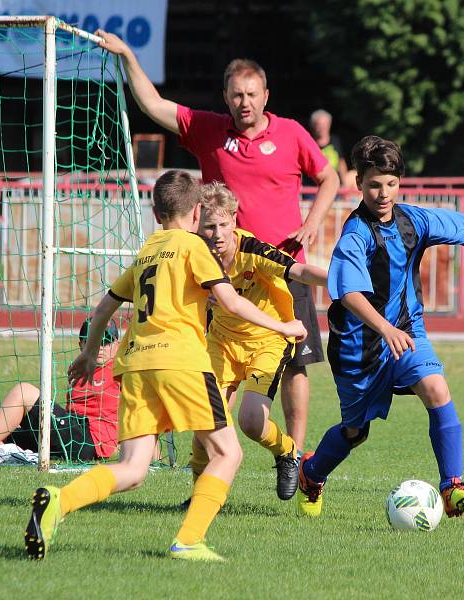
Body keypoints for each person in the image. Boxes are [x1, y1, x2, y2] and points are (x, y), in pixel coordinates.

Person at [23, 170, 306, 562]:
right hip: (180, 362)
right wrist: (286, 325)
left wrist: (89, 354)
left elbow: (104, 308)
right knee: (229, 454)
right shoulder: (195, 249)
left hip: (134, 365)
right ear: (196, 215)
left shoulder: (147, 252)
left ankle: (61, 499)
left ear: (156, 214)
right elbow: (232, 303)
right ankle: (188, 540)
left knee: (134, 468)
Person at [97, 32, 339, 454]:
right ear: (225, 98)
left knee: (297, 362)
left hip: (281, 265)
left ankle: (296, 457)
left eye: (251, 94)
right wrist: (127, 56)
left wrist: (313, 222)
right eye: (235, 95)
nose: (244, 102)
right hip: (221, 271)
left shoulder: (292, 133)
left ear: (266, 94)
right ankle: (213, 460)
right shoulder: (208, 129)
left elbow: (330, 177)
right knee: (216, 368)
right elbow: (153, 105)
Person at [296, 136, 464, 517]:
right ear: (359, 184)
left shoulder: (414, 220)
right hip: (358, 347)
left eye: (391, 183)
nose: (384, 193)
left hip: (407, 330)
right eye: (374, 185)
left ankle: (452, 486)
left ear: (400, 181)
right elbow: (348, 294)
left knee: (436, 388)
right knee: (355, 431)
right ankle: (311, 473)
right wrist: (384, 328)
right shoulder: (355, 235)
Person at [187, 182, 328, 503]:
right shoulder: (194, 254)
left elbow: (301, 270)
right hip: (221, 343)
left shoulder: (252, 250)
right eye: (210, 226)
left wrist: (345, 282)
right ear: (197, 225)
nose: (218, 234)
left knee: (251, 421)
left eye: (224, 225)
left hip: (266, 342)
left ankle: (287, 451)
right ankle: (200, 498)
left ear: (234, 221)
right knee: (203, 423)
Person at [0, 318, 121, 463]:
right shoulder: (79, 370)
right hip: (72, 436)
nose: (99, 347)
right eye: (92, 342)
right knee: (4, 436)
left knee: (24, 392)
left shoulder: (120, 369)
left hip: (89, 442)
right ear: (81, 345)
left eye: (106, 342)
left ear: (117, 345)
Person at [308, 109, 350, 186]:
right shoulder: (308, 143)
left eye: (324, 124)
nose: (321, 128)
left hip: (336, 187)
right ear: (312, 125)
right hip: (314, 188)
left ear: (329, 124)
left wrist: (345, 185)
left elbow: (341, 163)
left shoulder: (336, 141)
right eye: (318, 125)